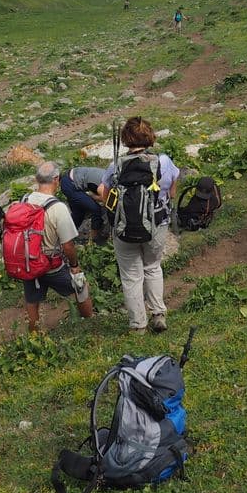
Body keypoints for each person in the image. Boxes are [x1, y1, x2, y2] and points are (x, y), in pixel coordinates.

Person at [98, 117, 180, 334]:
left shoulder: (115, 165)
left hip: (123, 229)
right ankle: (158, 314)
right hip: (157, 224)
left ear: (125, 139)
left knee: (131, 276)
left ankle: (138, 325)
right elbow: (171, 192)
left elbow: (105, 196)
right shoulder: (163, 162)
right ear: (149, 136)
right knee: (153, 267)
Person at [19, 161, 95, 333]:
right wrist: (75, 266)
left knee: (32, 300)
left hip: (29, 262)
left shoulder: (24, 200)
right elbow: (67, 245)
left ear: (37, 179)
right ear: (55, 179)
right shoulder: (57, 207)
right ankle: (89, 321)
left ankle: (34, 335)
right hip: (52, 265)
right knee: (80, 287)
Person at [60, 164, 110, 241]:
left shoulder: (110, 177)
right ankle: (93, 239)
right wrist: (91, 195)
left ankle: (65, 237)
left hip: (70, 179)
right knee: (96, 209)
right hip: (71, 184)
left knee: (79, 214)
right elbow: (104, 199)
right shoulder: (107, 184)